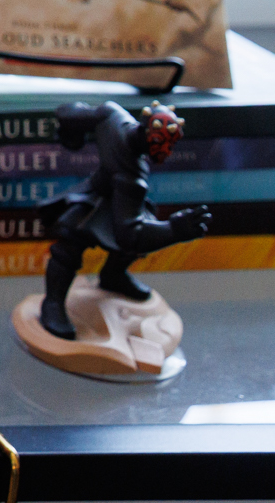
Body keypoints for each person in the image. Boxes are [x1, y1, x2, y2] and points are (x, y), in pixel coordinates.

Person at [36, 101, 211, 340]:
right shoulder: (125, 158)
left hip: (119, 204)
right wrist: (173, 231)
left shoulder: (113, 118)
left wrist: (169, 230)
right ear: (145, 132)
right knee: (69, 244)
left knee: (141, 225)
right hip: (94, 196)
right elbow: (130, 235)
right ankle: (53, 303)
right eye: (160, 143)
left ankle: (112, 276)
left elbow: (130, 234)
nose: (164, 152)